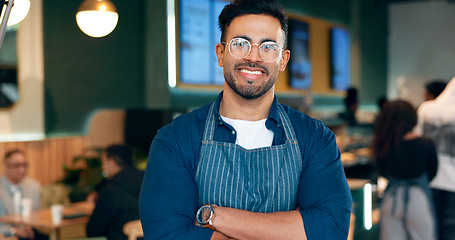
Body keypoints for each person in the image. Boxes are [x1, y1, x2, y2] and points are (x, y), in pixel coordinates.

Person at [139, 0, 352, 239]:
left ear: (283, 60)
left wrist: (214, 217)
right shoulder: (175, 139)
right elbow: (167, 234)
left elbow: (331, 229)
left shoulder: (314, 138)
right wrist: (291, 229)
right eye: (240, 44)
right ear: (220, 54)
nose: (253, 57)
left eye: (268, 47)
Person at [372, 100, 438, 240]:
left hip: (392, 197)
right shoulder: (426, 144)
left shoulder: (384, 144)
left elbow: (382, 171)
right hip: (417, 197)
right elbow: (432, 172)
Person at [415, 76, 455, 240]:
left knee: (428, 230)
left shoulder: (425, 109)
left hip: (429, 179)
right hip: (452, 183)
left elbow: (417, 139)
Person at [86, 144, 145, 240]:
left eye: (103, 162)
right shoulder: (147, 179)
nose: (102, 167)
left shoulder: (111, 191)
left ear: (111, 162)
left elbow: (92, 231)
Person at [0, 150, 45, 240]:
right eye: (17, 166)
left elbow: (38, 213)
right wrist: (14, 230)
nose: (22, 170)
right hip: (7, 234)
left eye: (25, 165)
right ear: (5, 166)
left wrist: (30, 227)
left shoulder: (34, 186)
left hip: (31, 232)